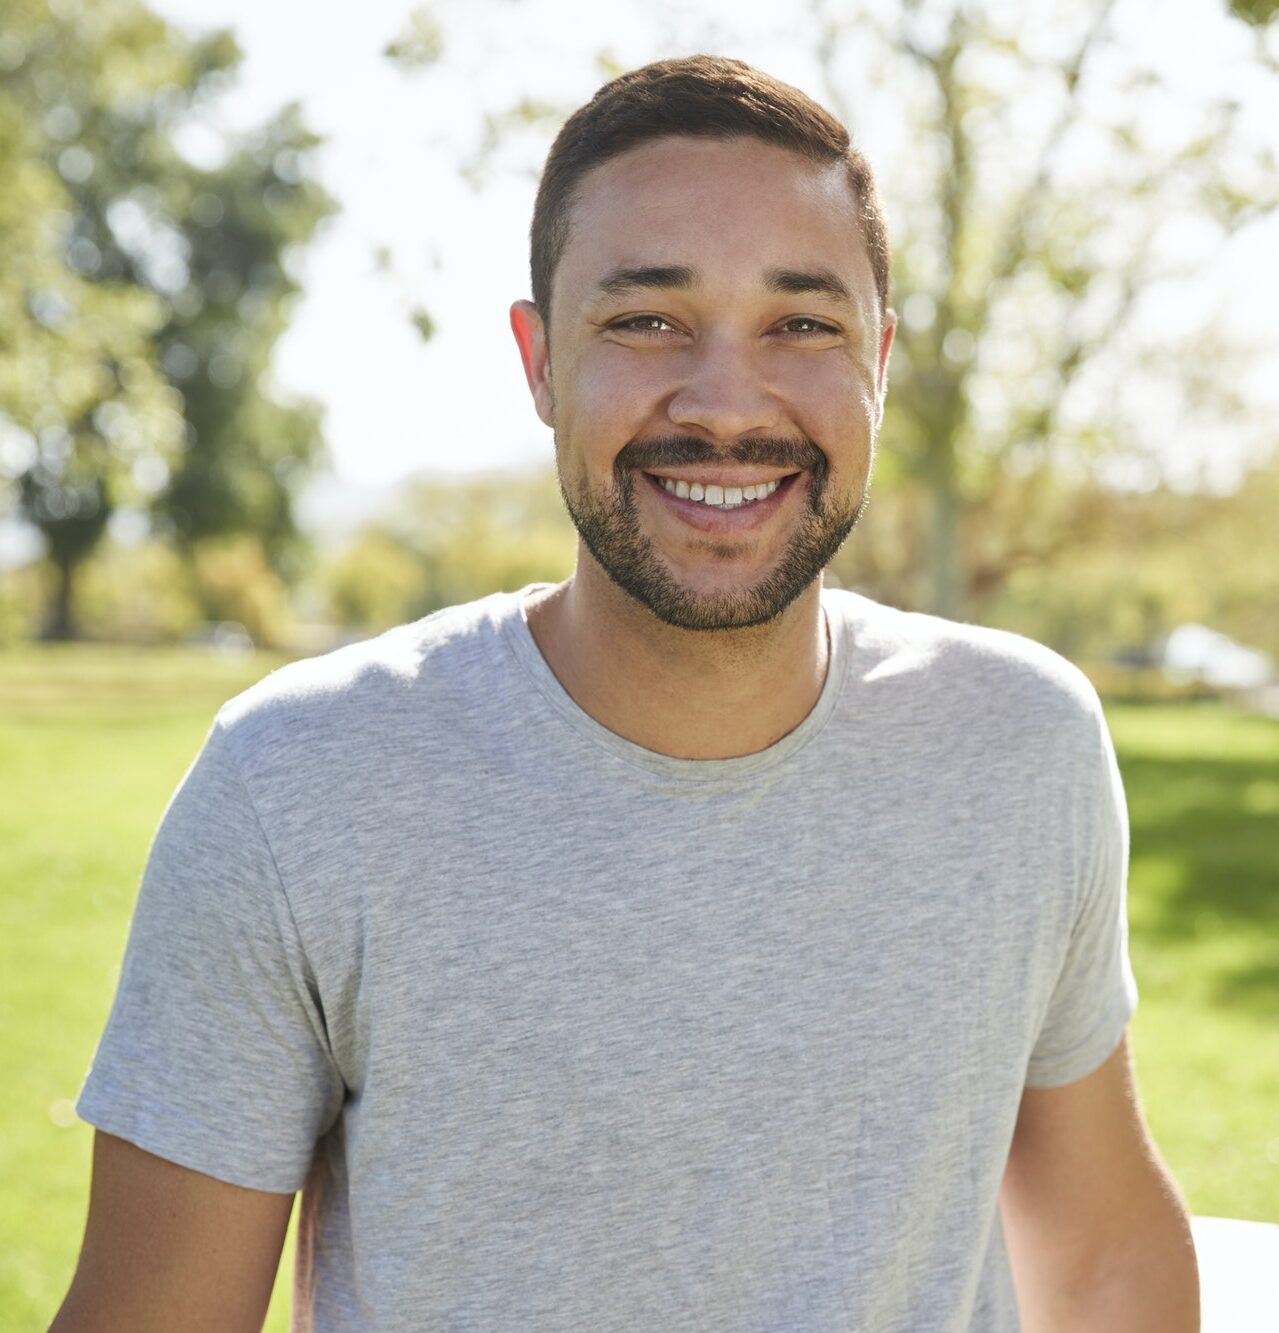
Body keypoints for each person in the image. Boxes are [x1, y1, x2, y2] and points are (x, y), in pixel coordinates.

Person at [53, 54, 1200, 1333]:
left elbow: (1099, 1258)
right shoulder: (299, 785)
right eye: (646, 319)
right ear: (539, 363)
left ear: (877, 360)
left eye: (800, 323)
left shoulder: (1020, 744)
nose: (723, 403)